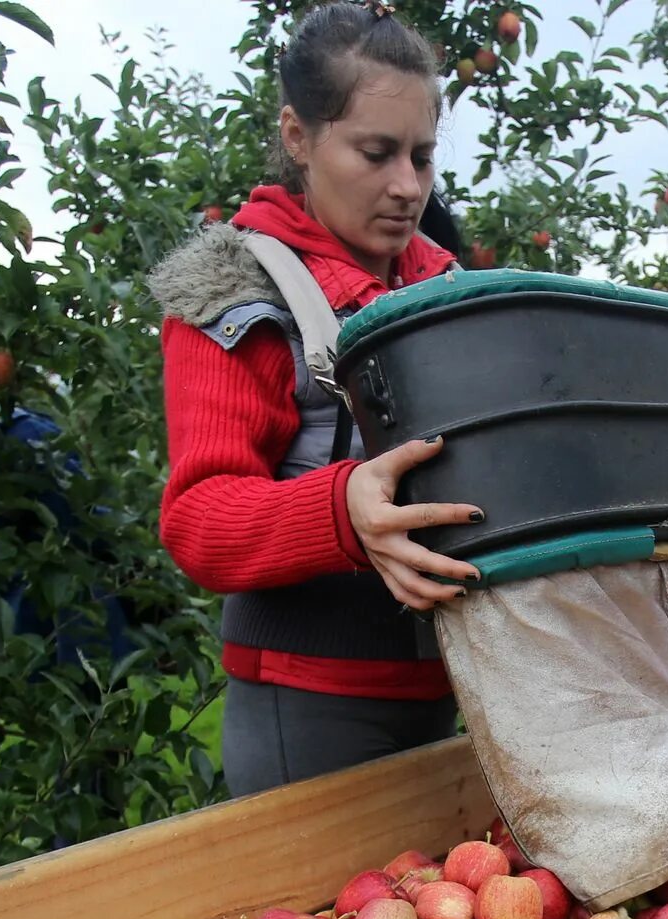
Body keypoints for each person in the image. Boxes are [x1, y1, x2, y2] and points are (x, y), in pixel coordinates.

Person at [151, 1, 480, 797]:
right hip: (311, 704)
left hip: (456, 687)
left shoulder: (450, 291)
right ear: (298, 137)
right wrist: (341, 510)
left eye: (423, 157)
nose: (407, 186)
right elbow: (199, 520)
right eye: (376, 152)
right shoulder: (236, 297)